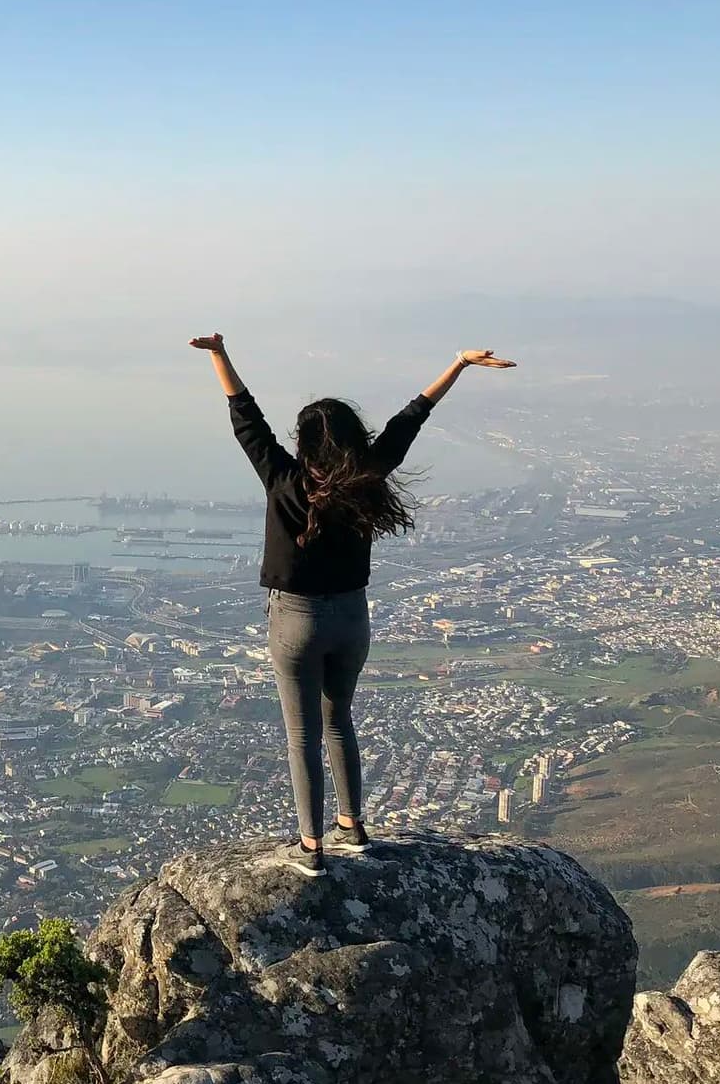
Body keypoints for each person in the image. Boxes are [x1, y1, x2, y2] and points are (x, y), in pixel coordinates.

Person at [189, 333, 516, 876]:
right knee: (339, 719)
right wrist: (458, 361)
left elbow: (245, 417)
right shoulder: (367, 478)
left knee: (302, 736)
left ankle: (311, 849)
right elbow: (411, 418)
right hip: (351, 618)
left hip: (295, 619)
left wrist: (220, 354)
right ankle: (352, 827)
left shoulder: (284, 478)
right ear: (350, 439)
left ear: (304, 442)